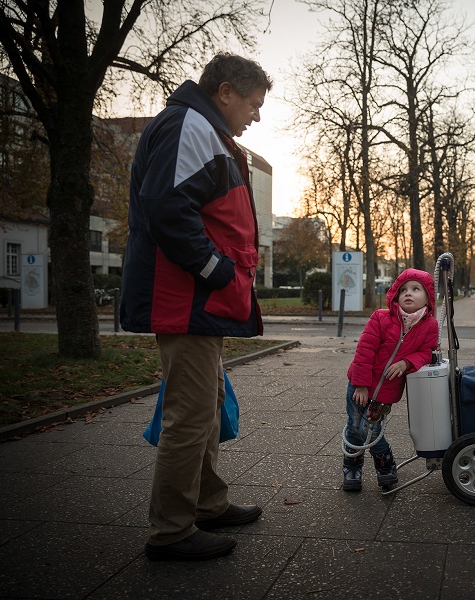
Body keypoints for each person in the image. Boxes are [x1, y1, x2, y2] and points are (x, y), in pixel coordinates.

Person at [120, 53, 272, 560]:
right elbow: (167, 207)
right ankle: (171, 530)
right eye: (253, 104)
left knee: (204, 408)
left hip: (200, 300)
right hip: (185, 296)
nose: (256, 115)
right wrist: (217, 271)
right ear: (225, 92)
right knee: (189, 414)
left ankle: (206, 503)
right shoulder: (190, 125)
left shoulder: (206, 131)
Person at [341, 268, 439, 492]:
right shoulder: (381, 318)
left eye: (416, 289)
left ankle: (385, 466)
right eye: (403, 289)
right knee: (356, 428)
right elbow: (364, 351)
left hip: (386, 393)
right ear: (395, 295)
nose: (408, 294)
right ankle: (353, 467)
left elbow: (427, 352)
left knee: (373, 430)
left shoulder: (429, 326)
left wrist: (406, 363)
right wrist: (362, 384)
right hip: (360, 386)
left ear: (428, 296)